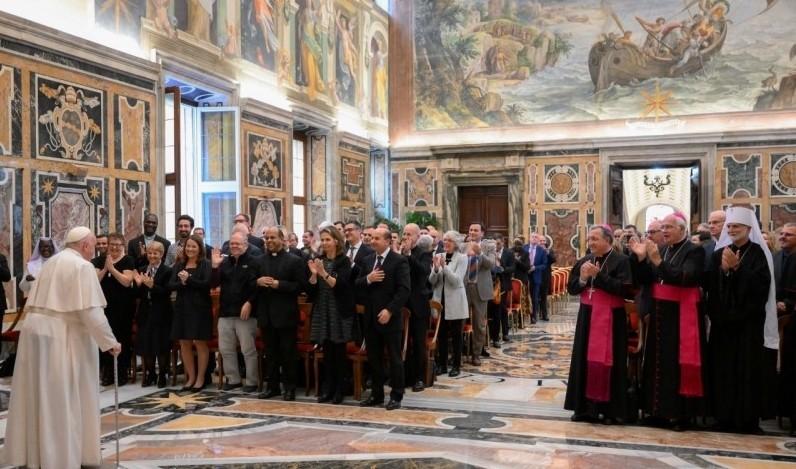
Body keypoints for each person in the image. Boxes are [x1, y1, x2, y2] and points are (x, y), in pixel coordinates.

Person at [4, 227, 121, 469]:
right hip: (60, 335)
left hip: (33, 331)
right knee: (60, 396)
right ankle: (58, 459)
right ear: (85, 245)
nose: (94, 251)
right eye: (93, 246)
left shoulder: (51, 262)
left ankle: (35, 456)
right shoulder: (82, 266)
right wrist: (109, 342)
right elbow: (91, 312)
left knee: (37, 393)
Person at [629, 212, 705, 430]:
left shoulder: (694, 251)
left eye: (668, 227)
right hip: (659, 314)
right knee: (656, 362)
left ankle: (680, 415)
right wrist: (640, 259)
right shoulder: (662, 250)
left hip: (681, 316)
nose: (664, 231)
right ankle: (657, 412)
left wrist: (658, 262)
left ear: (682, 229)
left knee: (676, 364)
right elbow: (646, 280)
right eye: (662, 227)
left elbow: (686, 277)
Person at [707, 206, 777, 434]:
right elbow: (711, 288)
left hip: (748, 325)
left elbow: (761, 288)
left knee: (747, 372)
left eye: (736, 226)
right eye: (729, 226)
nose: (731, 229)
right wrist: (724, 272)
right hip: (723, 325)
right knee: (723, 371)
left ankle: (747, 420)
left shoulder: (758, 254)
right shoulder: (719, 253)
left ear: (748, 228)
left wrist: (738, 268)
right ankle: (723, 417)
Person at [565, 225, 632, 424]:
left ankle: (609, 410)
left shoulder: (622, 261)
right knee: (584, 360)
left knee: (611, 361)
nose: (590, 242)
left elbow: (625, 290)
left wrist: (598, 275)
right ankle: (585, 409)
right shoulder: (584, 260)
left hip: (612, 318)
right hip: (587, 316)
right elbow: (572, 289)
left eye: (595, 239)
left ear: (608, 240)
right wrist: (583, 278)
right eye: (589, 239)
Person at [247, 227, 306, 401]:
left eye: (273, 237)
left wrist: (279, 285)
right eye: (267, 238)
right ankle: (272, 387)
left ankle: (290, 388)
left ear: (282, 239)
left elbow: (300, 286)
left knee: (288, 353)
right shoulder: (258, 261)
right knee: (270, 353)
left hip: (286, 315)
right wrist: (257, 282)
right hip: (266, 315)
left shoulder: (294, 261)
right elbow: (249, 284)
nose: (269, 241)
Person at [356, 227, 411, 410]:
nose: (372, 241)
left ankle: (396, 395)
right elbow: (357, 284)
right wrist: (369, 279)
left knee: (395, 358)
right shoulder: (367, 260)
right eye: (372, 238)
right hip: (370, 318)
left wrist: (389, 310)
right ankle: (376, 394)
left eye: (377, 238)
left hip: (390, 318)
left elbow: (404, 290)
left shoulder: (399, 261)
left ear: (388, 241)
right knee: (374, 358)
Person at [308, 226, 355, 404]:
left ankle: (340, 390)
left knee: (338, 352)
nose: (325, 243)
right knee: (327, 351)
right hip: (323, 308)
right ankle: (327, 389)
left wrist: (323, 273)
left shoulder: (343, 261)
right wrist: (314, 276)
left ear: (336, 241)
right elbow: (311, 289)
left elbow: (341, 285)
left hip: (338, 310)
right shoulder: (318, 260)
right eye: (322, 240)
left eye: (328, 239)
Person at [211, 232, 259, 393]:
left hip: (246, 313)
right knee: (225, 349)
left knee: (248, 349)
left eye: (237, 243)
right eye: (232, 243)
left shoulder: (254, 262)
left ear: (245, 244)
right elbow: (214, 283)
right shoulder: (224, 262)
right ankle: (233, 379)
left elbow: (257, 287)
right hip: (225, 312)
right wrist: (215, 267)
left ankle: (252, 381)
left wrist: (250, 302)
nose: (234, 246)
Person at [169, 234, 213, 390]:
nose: (190, 249)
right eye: (188, 246)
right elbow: (171, 285)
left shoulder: (205, 264)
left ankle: (201, 378)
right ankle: (191, 377)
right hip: (182, 307)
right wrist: (182, 282)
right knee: (184, 342)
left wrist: (189, 279)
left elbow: (206, 284)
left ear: (200, 248)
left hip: (200, 308)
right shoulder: (180, 264)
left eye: (194, 246)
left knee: (199, 342)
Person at [93, 232, 135, 386]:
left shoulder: (128, 260)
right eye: (112, 245)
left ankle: (122, 373)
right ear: (108, 245)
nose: (115, 248)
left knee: (121, 338)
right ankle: (108, 373)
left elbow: (126, 281)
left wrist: (112, 269)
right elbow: (94, 281)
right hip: (104, 306)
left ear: (123, 246)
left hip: (123, 307)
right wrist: (105, 268)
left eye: (118, 245)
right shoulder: (98, 261)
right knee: (105, 338)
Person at [132, 241, 173, 388]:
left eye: (155, 253)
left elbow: (167, 292)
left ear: (161, 254)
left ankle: (162, 375)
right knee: (147, 345)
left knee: (161, 345)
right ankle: (151, 374)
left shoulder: (167, 271)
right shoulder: (143, 270)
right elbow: (137, 295)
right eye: (149, 253)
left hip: (161, 313)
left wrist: (152, 286)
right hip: (145, 312)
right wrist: (138, 285)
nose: (152, 256)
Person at [430, 230, 468, 377]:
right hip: (440, 301)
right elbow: (432, 281)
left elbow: (457, 281)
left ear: (456, 243)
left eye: (449, 240)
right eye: (444, 240)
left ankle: (456, 365)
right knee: (442, 335)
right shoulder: (439, 256)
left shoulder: (462, 258)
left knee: (457, 335)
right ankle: (442, 365)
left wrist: (444, 267)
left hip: (455, 301)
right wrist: (435, 269)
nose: (446, 243)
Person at [402, 224, 432, 392]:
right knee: (402, 342)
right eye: (404, 234)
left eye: (409, 234)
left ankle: (419, 378)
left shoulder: (424, 253)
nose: (406, 237)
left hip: (418, 305)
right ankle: (405, 376)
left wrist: (408, 256)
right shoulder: (398, 252)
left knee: (419, 343)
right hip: (402, 304)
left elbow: (423, 272)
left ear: (417, 237)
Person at [465, 223, 496, 365]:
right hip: (464, 288)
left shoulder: (489, 246)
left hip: (480, 289)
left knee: (479, 324)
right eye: (471, 230)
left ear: (482, 233)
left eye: (476, 230)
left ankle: (476, 354)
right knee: (460, 322)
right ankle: (460, 352)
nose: (472, 232)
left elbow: (491, 264)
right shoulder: (462, 246)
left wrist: (480, 254)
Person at [776, 223, 796, 430]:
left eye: (788, 234)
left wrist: (788, 303)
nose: (783, 237)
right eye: (781, 233)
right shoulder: (780, 258)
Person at [490, 235, 515, 347]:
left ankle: (504, 333)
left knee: (502, 309)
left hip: (504, 285)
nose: (496, 246)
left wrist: (502, 268)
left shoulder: (509, 253)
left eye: (498, 244)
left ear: (503, 243)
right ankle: (493, 335)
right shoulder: (490, 253)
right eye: (494, 244)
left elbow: (512, 268)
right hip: (492, 285)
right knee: (494, 311)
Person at [527, 233, 549, 323]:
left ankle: (533, 316)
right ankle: (523, 317)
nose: (534, 238)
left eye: (536, 237)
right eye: (533, 237)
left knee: (534, 297)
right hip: (525, 276)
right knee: (524, 296)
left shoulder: (542, 251)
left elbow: (544, 265)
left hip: (536, 276)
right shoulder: (524, 248)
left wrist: (535, 268)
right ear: (529, 238)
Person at [539, 236, 556, 321]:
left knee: (544, 297)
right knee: (535, 296)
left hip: (545, 276)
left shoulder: (549, 250)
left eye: (544, 241)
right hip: (536, 275)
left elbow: (553, 260)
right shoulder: (535, 250)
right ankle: (534, 314)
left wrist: (548, 253)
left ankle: (544, 314)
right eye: (541, 241)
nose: (542, 242)